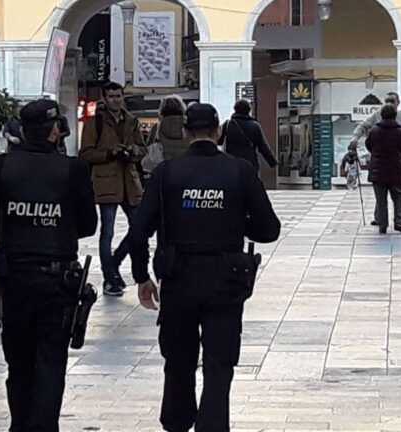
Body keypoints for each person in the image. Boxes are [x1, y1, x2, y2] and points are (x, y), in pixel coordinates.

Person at [0, 99, 98, 432]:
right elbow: (89, 226)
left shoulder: (3, 167)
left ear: (23, 131)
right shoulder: (73, 170)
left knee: (19, 363)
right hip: (58, 280)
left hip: (15, 279)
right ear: (55, 130)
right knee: (51, 363)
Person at [128, 103, 281, 432]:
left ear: (185, 133)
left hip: (178, 278)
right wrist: (236, 221)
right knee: (220, 362)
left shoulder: (166, 173)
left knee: (178, 359)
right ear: (219, 132)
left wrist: (141, 276)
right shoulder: (240, 171)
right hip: (226, 280)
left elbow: (138, 231)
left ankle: (177, 420)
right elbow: (269, 229)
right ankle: (212, 425)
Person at [80, 81, 146, 296]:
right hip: (106, 181)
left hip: (129, 182)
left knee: (139, 228)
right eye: (111, 96)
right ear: (104, 98)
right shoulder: (95, 123)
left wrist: (134, 150)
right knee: (107, 231)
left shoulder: (131, 120)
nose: (115, 100)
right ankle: (110, 279)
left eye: (118, 96)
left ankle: (114, 262)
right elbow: (86, 153)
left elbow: (142, 149)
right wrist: (110, 153)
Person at [351, 92, 401, 226]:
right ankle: (380, 217)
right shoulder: (377, 115)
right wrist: (355, 139)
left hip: (398, 159)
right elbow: (363, 127)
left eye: (392, 101)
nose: (389, 103)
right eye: (387, 100)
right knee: (380, 190)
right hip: (382, 158)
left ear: (398, 103)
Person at [366, 103, 401, 234]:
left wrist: (377, 153)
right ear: (395, 115)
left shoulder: (374, 131)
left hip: (378, 170)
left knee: (381, 199)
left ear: (381, 115)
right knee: (398, 196)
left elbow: (368, 145)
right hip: (396, 169)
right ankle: (398, 222)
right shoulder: (400, 132)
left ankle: (383, 225)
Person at [218, 99, 278, 172]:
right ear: (249, 110)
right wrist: (272, 162)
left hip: (232, 164)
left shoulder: (228, 124)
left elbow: (219, 141)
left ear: (235, 110)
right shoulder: (255, 126)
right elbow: (263, 147)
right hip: (250, 164)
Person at [149, 95, 190, 161]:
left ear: (162, 109)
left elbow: (148, 146)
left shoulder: (157, 127)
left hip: (164, 164)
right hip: (185, 162)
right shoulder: (188, 125)